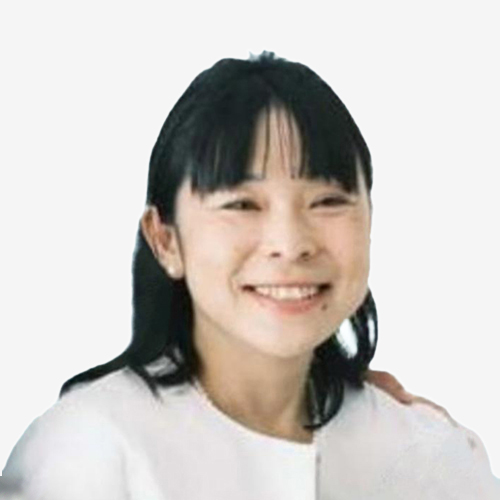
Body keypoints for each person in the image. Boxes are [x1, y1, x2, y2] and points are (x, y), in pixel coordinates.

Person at [1, 51, 498, 499]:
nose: (291, 243)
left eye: (328, 201)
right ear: (165, 240)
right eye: (242, 204)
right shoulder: (87, 454)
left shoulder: (430, 456)